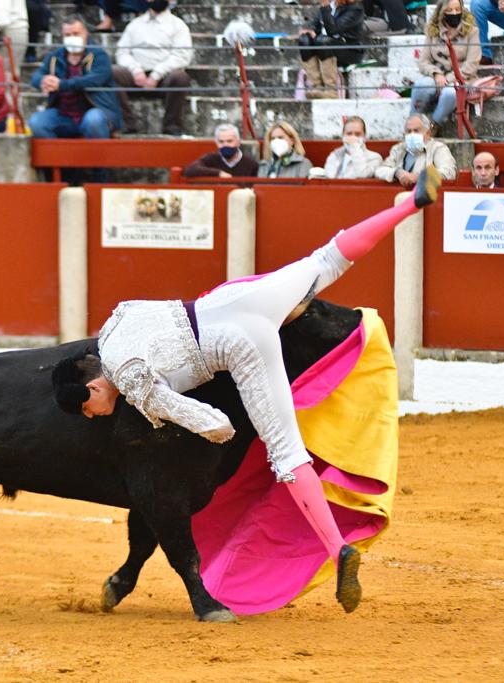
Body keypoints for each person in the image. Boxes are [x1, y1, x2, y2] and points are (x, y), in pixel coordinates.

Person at [52, 165, 444, 615]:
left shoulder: (132, 382)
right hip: (230, 300)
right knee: (328, 258)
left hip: (240, 346)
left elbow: (205, 418)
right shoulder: (115, 322)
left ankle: (338, 550)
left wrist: (220, 432)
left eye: (87, 408)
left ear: (91, 387)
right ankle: (411, 204)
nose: (93, 416)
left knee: (287, 454)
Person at [28, 15, 122, 140]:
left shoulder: (100, 55)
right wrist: (43, 80)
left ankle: (98, 153)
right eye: (67, 35)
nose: (72, 38)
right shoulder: (54, 57)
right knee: (36, 122)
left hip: (95, 111)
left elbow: (92, 81)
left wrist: (61, 85)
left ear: (86, 33)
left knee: (93, 120)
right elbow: (36, 77)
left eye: (76, 34)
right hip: (63, 114)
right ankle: (58, 153)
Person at [112, 0, 192, 135]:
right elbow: (122, 53)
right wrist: (136, 70)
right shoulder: (135, 24)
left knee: (180, 78)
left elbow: (182, 56)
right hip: (136, 76)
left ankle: (171, 126)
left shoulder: (178, 25)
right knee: (112, 73)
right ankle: (127, 124)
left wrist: (156, 75)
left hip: (164, 77)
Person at [410, 0, 480, 126]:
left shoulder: (472, 31)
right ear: (442, 12)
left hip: (461, 78)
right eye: (449, 10)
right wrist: (436, 74)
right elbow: (423, 61)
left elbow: (472, 64)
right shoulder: (433, 30)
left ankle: (433, 126)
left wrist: (448, 79)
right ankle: (413, 123)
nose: (454, 13)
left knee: (450, 93)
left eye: (457, 9)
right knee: (422, 86)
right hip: (437, 77)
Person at [297, 0, 365, 100]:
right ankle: (316, 86)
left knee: (323, 41)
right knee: (304, 40)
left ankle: (331, 90)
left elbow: (332, 30)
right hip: (326, 46)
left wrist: (325, 6)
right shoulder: (332, 5)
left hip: (349, 50)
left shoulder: (355, 9)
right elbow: (315, 23)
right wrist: (310, 29)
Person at [375, 113, 458, 186]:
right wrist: (397, 173)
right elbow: (380, 170)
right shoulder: (399, 149)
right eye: (409, 131)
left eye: (416, 131)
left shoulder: (438, 148)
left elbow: (449, 172)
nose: (412, 134)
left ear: (428, 133)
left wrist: (421, 176)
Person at [183, 123, 259, 178]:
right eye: (221, 142)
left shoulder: (251, 165)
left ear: (238, 142)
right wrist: (218, 173)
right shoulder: (211, 159)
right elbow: (190, 169)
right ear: (216, 143)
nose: (225, 145)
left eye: (229, 141)